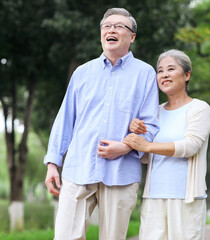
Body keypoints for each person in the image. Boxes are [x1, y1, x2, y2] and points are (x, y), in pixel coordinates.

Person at [43, 8, 159, 240]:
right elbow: (65, 119)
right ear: (101, 35)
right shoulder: (82, 73)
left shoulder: (145, 74)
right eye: (107, 26)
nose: (111, 30)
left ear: (132, 36)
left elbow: (151, 125)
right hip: (79, 167)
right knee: (65, 236)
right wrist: (53, 163)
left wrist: (125, 147)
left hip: (121, 173)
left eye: (119, 26)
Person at [103, 49, 210, 239]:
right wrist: (137, 134)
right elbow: (146, 158)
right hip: (153, 197)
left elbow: (190, 146)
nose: (164, 75)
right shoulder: (155, 113)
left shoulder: (199, 108)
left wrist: (147, 146)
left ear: (187, 75)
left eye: (171, 69)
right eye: (160, 71)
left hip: (186, 199)